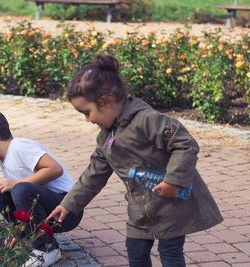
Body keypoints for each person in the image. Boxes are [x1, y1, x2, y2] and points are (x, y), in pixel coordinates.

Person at [47, 54, 223, 266]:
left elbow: (185, 144)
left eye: (87, 112)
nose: (88, 119)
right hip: (140, 209)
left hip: (171, 203)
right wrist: (68, 204)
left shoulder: (146, 119)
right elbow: (93, 176)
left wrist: (174, 181)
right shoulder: (106, 137)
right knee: (136, 251)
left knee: (170, 251)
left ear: (106, 102)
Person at [0, 109, 83, 267]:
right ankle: (28, 237)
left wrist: (17, 184)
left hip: (67, 210)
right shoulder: (5, 159)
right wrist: (19, 230)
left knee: (19, 189)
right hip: (49, 211)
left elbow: (55, 169)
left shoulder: (19, 147)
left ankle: (47, 249)